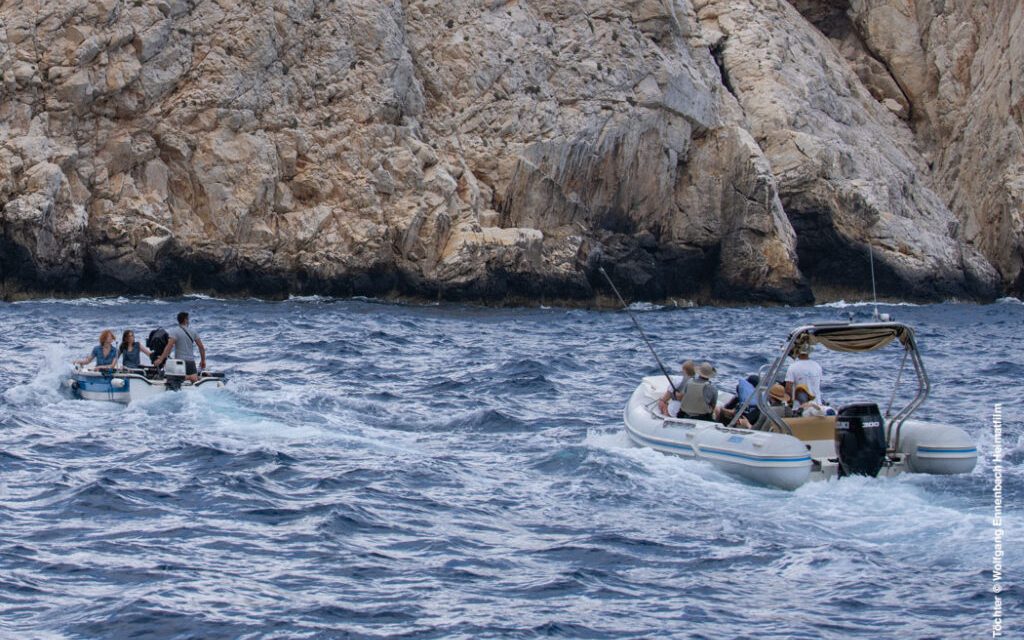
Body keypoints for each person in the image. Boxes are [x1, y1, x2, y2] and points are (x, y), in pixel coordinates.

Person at [153, 311, 207, 382]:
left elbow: (169, 347)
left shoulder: (175, 331)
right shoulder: (193, 332)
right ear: (185, 320)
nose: (188, 321)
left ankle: (188, 377)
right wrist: (203, 361)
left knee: (175, 379)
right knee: (194, 383)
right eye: (188, 319)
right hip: (191, 362)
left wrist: (161, 359)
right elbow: (201, 347)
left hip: (180, 362)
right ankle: (192, 377)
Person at [785, 341, 823, 409]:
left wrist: (789, 403)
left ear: (797, 352)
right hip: (817, 405)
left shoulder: (793, 367)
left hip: (800, 407)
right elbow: (818, 385)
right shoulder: (817, 366)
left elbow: (788, 389)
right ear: (808, 352)